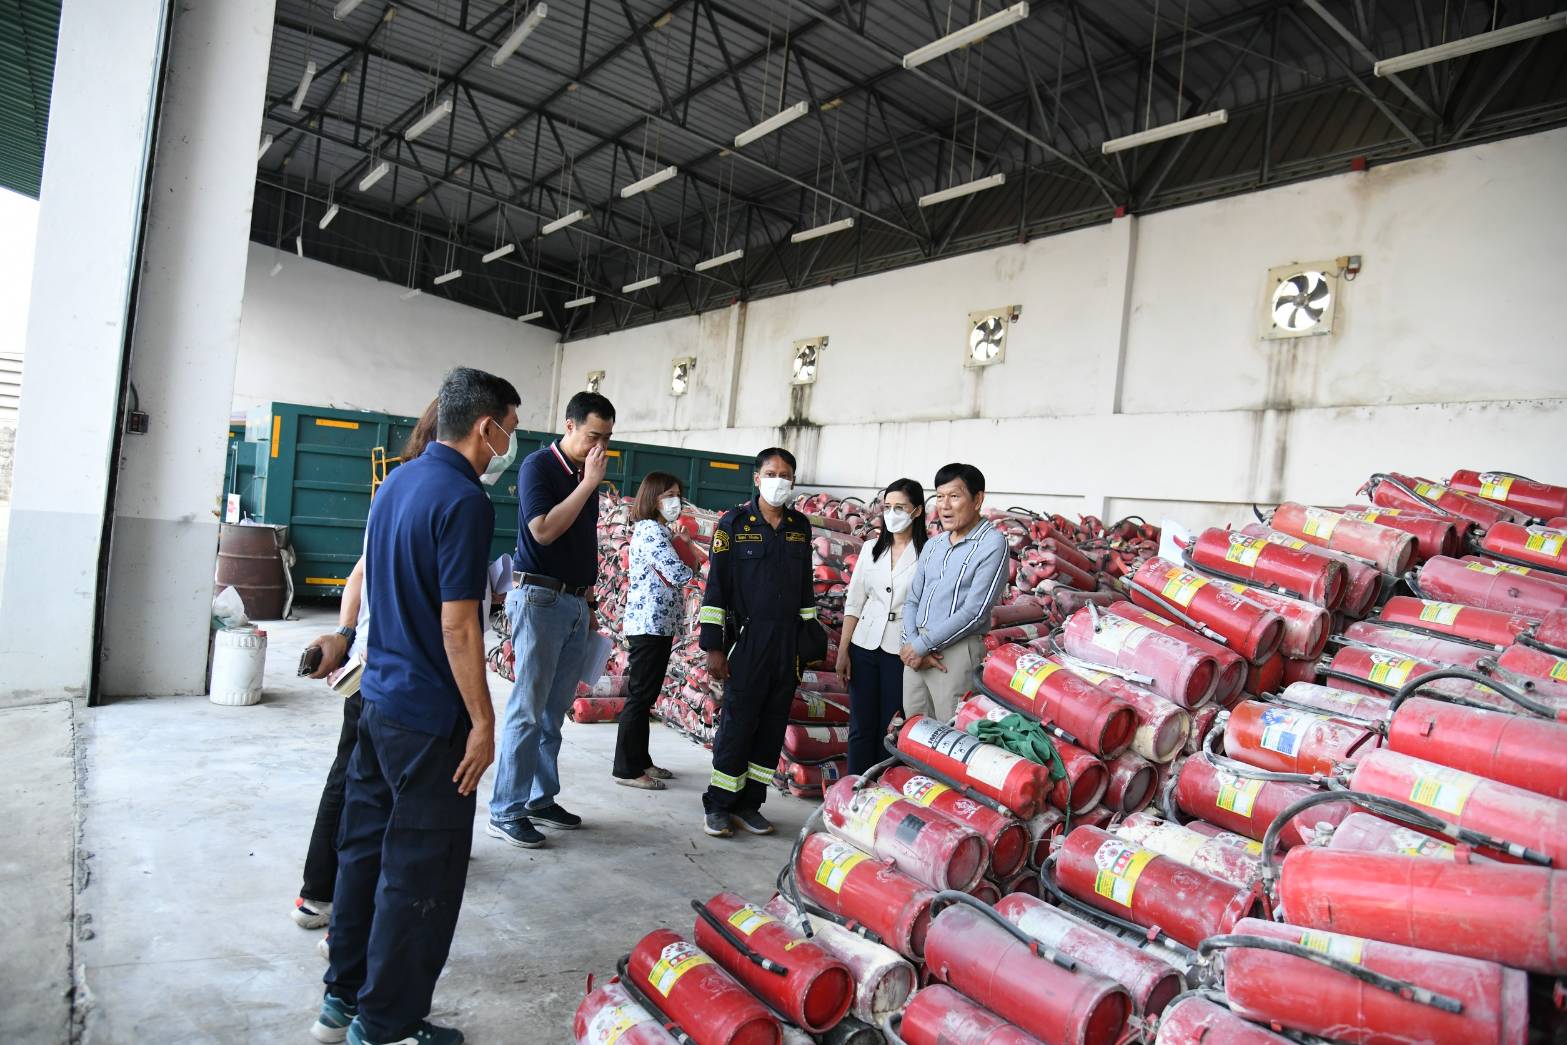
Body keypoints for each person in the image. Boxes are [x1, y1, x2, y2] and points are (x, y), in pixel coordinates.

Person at [312, 367, 520, 1045]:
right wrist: (483, 721)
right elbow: (458, 625)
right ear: (486, 426)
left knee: (363, 854)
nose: (509, 445)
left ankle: (341, 999)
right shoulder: (465, 500)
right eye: (510, 430)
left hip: (377, 704)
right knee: (419, 872)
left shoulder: (396, 483)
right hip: (430, 721)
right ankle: (386, 1023)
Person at [292, 401, 438, 936]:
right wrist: (350, 635)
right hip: (391, 669)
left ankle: (324, 893)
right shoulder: (426, 493)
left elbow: (358, 574)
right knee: (364, 781)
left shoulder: (397, 488)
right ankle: (332, 899)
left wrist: (347, 633)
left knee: (355, 774)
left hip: (376, 661)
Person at [487, 391, 615, 849]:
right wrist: (588, 484)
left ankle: (540, 799)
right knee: (527, 708)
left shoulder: (584, 476)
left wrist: (590, 607)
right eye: (593, 436)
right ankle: (506, 809)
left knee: (552, 712)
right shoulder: (538, 467)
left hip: (574, 603)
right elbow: (542, 530)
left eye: (607, 438)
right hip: (539, 599)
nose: (600, 446)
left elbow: (582, 544)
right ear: (569, 426)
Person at [698, 447, 816, 838]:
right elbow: (716, 588)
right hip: (747, 641)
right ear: (756, 478)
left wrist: (808, 640)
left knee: (770, 728)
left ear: (793, 481)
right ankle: (719, 805)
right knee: (738, 725)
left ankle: (750, 804)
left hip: (787, 645)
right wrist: (715, 647)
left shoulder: (799, 526)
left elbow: (805, 590)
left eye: (785, 475)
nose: (778, 481)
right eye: (771, 473)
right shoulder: (733, 524)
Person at [900, 463, 1009, 723]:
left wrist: (922, 646)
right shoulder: (934, 545)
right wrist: (911, 643)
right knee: (915, 729)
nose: (945, 505)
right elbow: (913, 599)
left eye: (954, 496)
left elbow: (974, 611)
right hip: (916, 649)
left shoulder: (992, 544)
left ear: (977, 499)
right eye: (939, 496)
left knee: (951, 731)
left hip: (955, 652)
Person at [613, 472, 699, 789]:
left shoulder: (661, 531)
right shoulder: (651, 531)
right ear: (653, 498)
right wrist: (684, 548)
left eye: (678, 494)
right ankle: (626, 769)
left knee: (646, 695)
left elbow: (690, 567)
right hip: (648, 624)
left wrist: (683, 544)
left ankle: (641, 760)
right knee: (639, 697)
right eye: (668, 495)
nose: (675, 501)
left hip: (659, 624)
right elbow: (680, 572)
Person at [836, 479, 927, 773]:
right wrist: (843, 649)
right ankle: (854, 787)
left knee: (890, 727)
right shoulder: (870, 549)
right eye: (887, 507)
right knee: (860, 725)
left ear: (917, 511)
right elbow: (855, 602)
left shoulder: (928, 553)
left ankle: (881, 787)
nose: (892, 513)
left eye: (900, 507)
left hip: (901, 650)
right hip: (864, 644)